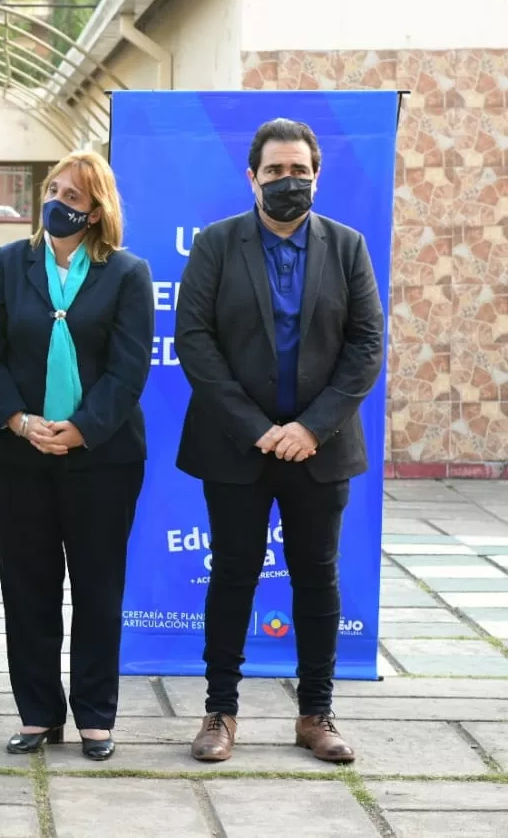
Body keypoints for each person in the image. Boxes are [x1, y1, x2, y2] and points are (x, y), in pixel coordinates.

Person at [175, 118, 384, 765]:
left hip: (319, 446)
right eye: (275, 171)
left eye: (300, 171)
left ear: (317, 176)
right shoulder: (216, 244)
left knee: (317, 576)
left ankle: (316, 713)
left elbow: (366, 343)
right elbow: (195, 340)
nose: (287, 182)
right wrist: (258, 427)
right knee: (233, 574)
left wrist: (309, 427)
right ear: (252, 177)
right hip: (236, 443)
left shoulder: (348, 247)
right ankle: (220, 712)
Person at [0, 150, 154, 761]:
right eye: (53, 190)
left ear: (97, 211)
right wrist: (20, 422)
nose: (58, 204)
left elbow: (128, 372)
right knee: (28, 588)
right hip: (19, 454)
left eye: (73, 197)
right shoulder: (8, 263)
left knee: (98, 589)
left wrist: (79, 429)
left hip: (101, 458)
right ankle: (38, 713)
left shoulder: (128, 273)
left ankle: (96, 717)